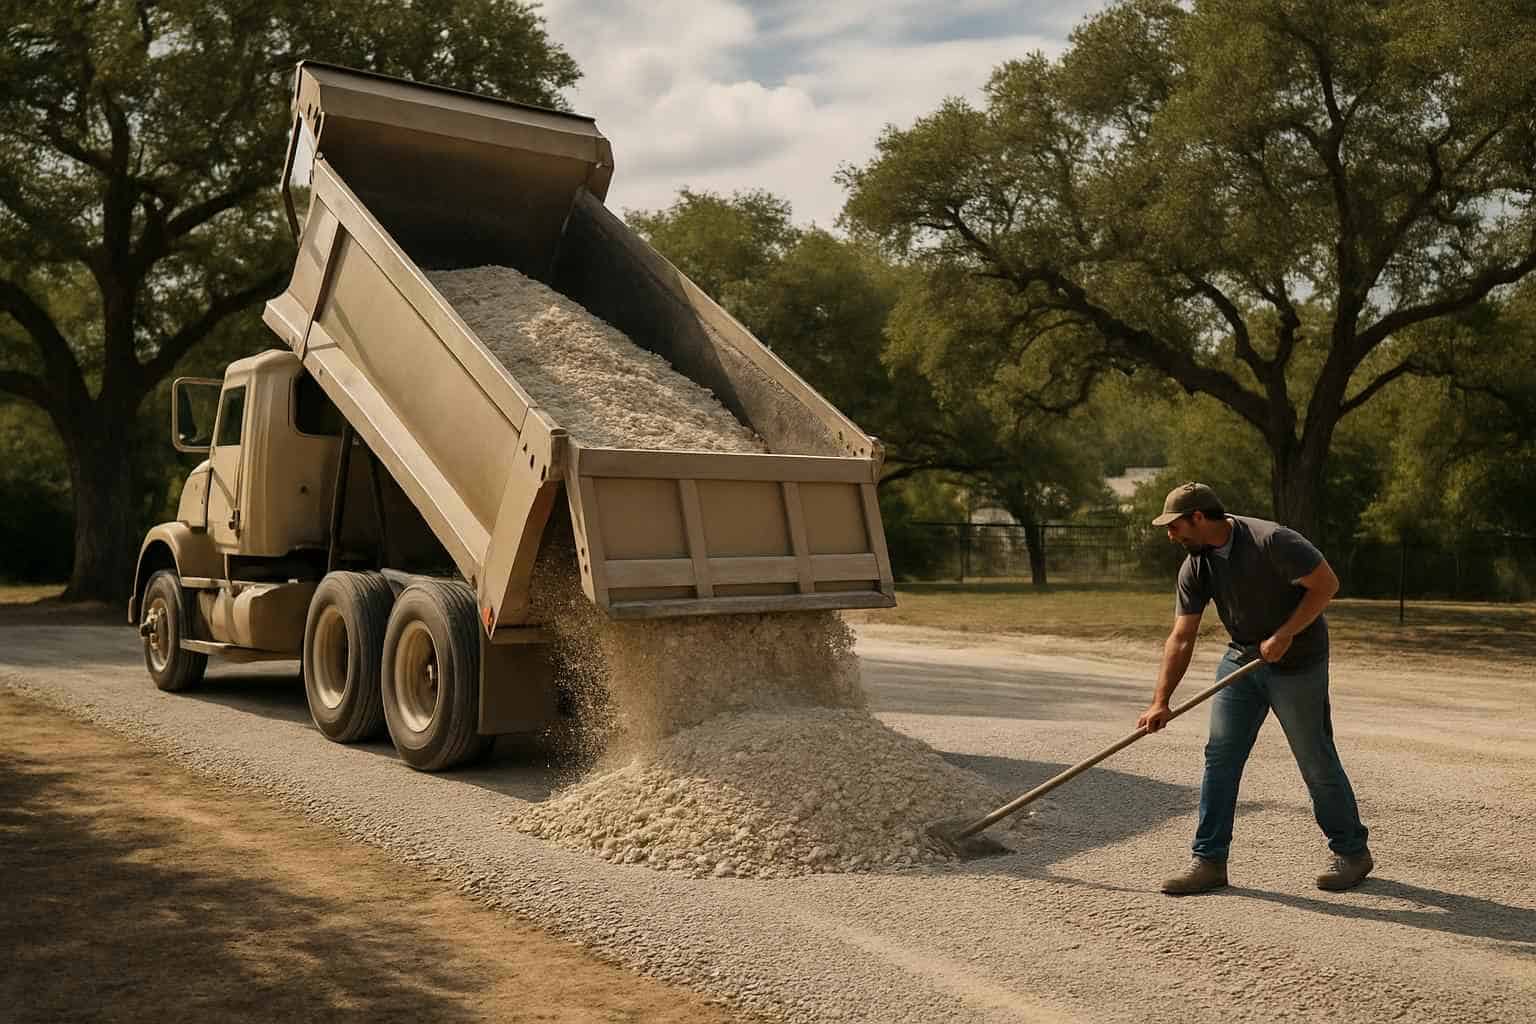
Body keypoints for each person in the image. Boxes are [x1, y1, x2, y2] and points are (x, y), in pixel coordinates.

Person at [1137, 482, 1372, 895]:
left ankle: (1352, 853)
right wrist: (1161, 701)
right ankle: (1209, 861)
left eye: (1175, 526)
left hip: (1299, 663)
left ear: (1198, 518)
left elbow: (1326, 585)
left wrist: (1284, 634)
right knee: (1221, 756)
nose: (1170, 535)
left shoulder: (1273, 541)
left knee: (1314, 757)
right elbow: (1181, 637)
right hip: (1243, 660)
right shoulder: (1197, 564)